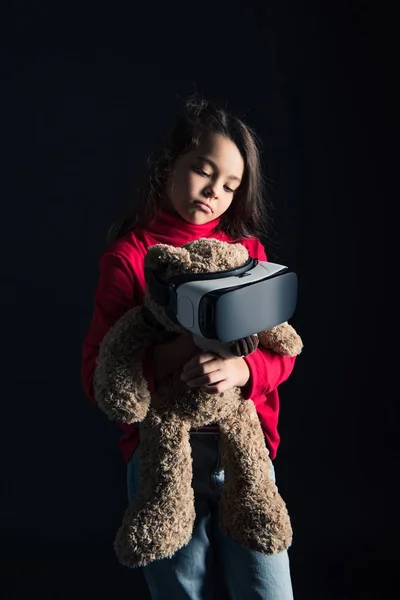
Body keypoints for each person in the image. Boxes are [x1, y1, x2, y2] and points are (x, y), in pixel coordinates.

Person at [81, 95, 297, 600]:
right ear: (169, 165)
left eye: (230, 186)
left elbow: (282, 353)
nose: (213, 193)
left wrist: (242, 370)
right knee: (181, 590)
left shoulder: (248, 255)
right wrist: (182, 351)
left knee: (267, 585)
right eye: (202, 172)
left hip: (242, 444)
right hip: (164, 457)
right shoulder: (130, 258)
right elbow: (98, 375)